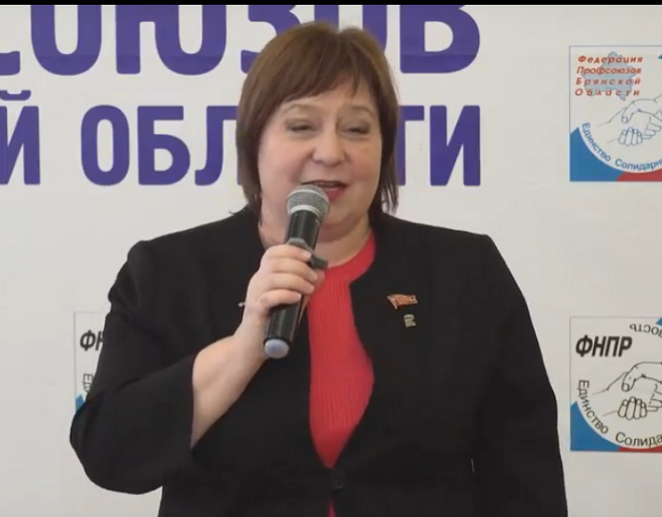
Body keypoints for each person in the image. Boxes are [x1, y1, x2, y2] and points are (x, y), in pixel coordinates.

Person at [70, 20, 568, 517]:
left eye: (356, 129)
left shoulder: (467, 273)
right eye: (301, 126)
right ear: (254, 140)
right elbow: (111, 454)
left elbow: (527, 477)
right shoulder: (167, 273)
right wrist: (243, 349)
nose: (330, 152)